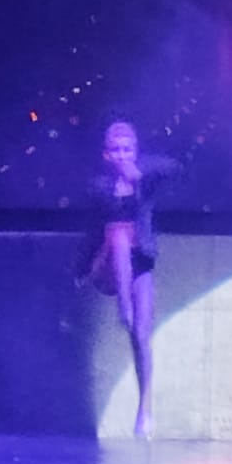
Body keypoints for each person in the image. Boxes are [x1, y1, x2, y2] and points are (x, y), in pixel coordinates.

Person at [75, 120, 179, 438]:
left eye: (127, 149)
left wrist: (139, 173)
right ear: (106, 154)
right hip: (108, 264)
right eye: (116, 150)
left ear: (135, 151)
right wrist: (81, 269)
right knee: (119, 236)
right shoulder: (100, 187)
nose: (122, 155)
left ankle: (144, 409)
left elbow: (175, 167)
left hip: (138, 266)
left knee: (141, 336)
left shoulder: (144, 181)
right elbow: (93, 231)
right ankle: (124, 306)